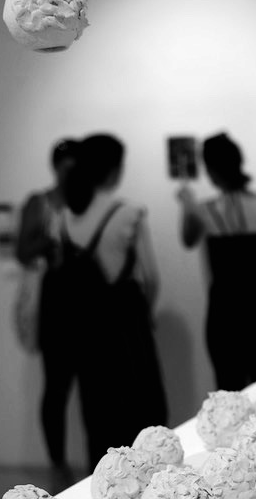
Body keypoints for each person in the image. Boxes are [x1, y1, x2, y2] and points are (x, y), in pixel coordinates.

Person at [40, 133, 168, 468]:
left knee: (97, 414)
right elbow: (151, 277)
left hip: (86, 329)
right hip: (126, 324)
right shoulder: (129, 213)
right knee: (142, 411)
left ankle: (105, 482)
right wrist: (145, 314)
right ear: (113, 168)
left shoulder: (63, 217)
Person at [177, 132, 256, 390]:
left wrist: (187, 203)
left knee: (231, 393)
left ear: (210, 171)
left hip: (228, 316)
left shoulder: (206, 211)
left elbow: (188, 239)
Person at [15, 138, 76, 474]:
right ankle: (58, 463)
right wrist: (52, 238)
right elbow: (22, 251)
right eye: (67, 166)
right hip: (54, 302)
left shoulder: (89, 201)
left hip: (84, 303)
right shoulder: (40, 203)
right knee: (56, 388)